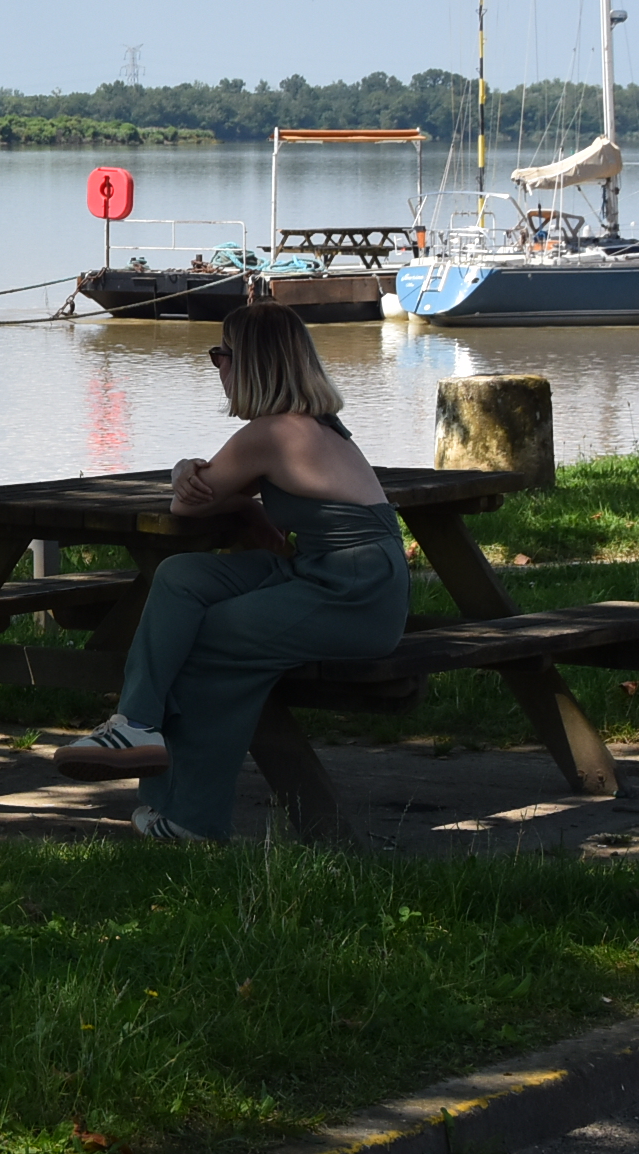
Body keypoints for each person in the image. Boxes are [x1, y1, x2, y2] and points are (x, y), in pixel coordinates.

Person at [52, 303, 411, 841]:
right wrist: (232, 499)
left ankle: (191, 819)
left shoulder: (270, 433)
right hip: (335, 573)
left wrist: (197, 480)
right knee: (181, 578)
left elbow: (188, 507)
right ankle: (136, 726)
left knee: (205, 644)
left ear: (255, 364)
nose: (216, 365)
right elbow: (220, 492)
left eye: (221, 354)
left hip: (353, 592)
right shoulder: (317, 426)